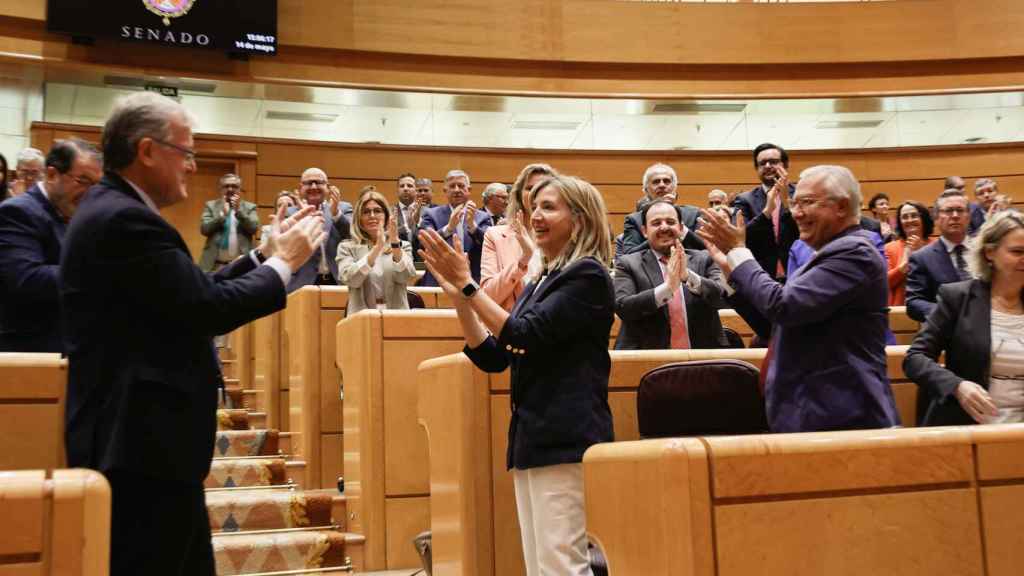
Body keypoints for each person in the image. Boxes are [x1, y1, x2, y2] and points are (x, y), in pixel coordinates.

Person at [59, 91, 324, 576]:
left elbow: (189, 293)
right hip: (139, 446)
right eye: (186, 152)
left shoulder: (116, 211)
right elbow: (205, 308)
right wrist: (286, 264)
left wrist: (263, 258)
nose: (190, 164)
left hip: (145, 445)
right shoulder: (124, 219)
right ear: (147, 151)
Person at [418, 174, 614, 576]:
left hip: (566, 437)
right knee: (541, 566)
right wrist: (460, 301)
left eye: (549, 207)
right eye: (533, 207)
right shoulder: (543, 280)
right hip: (532, 437)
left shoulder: (588, 276)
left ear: (579, 218)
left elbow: (521, 335)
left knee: (563, 564)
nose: (535, 216)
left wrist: (470, 285)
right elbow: (495, 357)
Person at [699, 164, 900, 433]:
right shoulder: (819, 255)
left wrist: (739, 252)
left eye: (806, 202)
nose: (796, 213)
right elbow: (776, 323)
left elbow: (783, 306)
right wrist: (729, 267)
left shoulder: (855, 252)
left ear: (841, 206)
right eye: (794, 203)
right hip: (812, 415)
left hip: (843, 419)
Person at [905, 210, 1024, 426]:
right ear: (990, 253)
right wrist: (957, 386)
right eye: (1017, 251)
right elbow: (915, 358)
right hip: (969, 429)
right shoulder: (958, 297)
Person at [0, 138, 101, 352]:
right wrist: (99, 272)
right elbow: (27, 278)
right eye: (83, 180)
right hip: (28, 354)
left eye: (96, 185)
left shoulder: (73, 213)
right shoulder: (17, 212)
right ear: (52, 174)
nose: (91, 193)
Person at [614, 199, 730, 350]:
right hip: (645, 358)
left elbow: (723, 298)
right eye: (656, 223)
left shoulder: (705, 258)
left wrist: (688, 276)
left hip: (703, 357)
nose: (664, 227)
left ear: (681, 228)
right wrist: (667, 289)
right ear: (644, 231)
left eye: (670, 222)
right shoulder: (627, 263)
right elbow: (623, 307)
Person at [480, 163, 556, 311]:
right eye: (529, 188)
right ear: (519, 195)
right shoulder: (495, 236)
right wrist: (523, 260)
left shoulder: (567, 238)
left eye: (543, 187)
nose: (535, 193)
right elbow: (487, 298)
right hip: (510, 327)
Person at [336, 190, 415, 316]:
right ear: (359, 218)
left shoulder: (402, 246)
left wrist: (394, 243)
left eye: (377, 211)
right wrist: (377, 248)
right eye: (366, 212)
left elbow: (405, 276)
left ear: (386, 216)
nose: (372, 215)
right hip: (360, 317)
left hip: (397, 317)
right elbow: (351, 279)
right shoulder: (346, 247)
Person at [730, 143, 799, 282]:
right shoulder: (744, 200)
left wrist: (787, 203)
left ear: (785, 165)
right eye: (762, 163)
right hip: (761, 276)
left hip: (799, 271)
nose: (767, 166)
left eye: (773, 162)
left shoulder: (801, 194)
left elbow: (806, 233)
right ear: (757, 168)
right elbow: (740, 238)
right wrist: (766, 213)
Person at [906, 189, 971, 322]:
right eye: (948, 211)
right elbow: (913, 303)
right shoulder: (922, 258)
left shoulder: (985, 251)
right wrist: (945, 314)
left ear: (968, 216)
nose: (955, 215)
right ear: (936, 218)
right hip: (946, 335)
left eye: (960, 210)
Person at [418, 169, 492, 286]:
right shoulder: (431, 214)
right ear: (445, 191)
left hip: (472, 281)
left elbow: (490, 245)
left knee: (469, 304)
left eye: (461, 186)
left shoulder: (483, 217)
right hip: (439, 280)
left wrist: (472, 226)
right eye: (452, 186)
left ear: (469, 190)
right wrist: (449, 228)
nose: (457, 190)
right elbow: (424, 242)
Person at [286, 167, 353, 291]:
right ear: (301, 187)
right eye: (308, 183)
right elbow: (289, 245)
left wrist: (336, 214)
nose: (313, 186)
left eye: (318, 182)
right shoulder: (290, 213)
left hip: (338, 281)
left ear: (328, 187)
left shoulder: (343, 208)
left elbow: (352, 235)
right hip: (302, 283)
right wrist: (305, 216)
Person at [618, 163, 703, 257]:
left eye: (666, 181)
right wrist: (655, 237)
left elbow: (705, 249)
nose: (662, 185)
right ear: (646, 190)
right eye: (656, 182)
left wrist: (678, 226)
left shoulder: (694, 214)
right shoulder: (634, 220)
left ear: (674, 188)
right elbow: (629, 255)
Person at [198, 173, 260, 272]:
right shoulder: (211, 205)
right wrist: (222, 216)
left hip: (241, 266)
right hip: (215, 266)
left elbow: (254, 228)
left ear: (239, 189)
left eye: (234, 186)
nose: (230, 189)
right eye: (226, 186)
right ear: (221, 189)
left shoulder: (249, 207)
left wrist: (239, 211)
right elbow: (204, 229)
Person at [885, 201, 934, 306]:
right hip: (899, 309)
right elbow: (885, 283)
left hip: (931, 307)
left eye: (914, 216)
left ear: (923, 219)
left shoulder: (936, 245)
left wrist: (922, 254)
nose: (909, 220)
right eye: (905, 217)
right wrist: (904, 265)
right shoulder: (890, 248)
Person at [393, 172, 418, 242]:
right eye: (402, 186)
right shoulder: (389, 212)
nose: (405, 189)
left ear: (416, 190)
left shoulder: (426, 212)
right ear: (397, 191)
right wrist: (406, 226)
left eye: (409, 186)